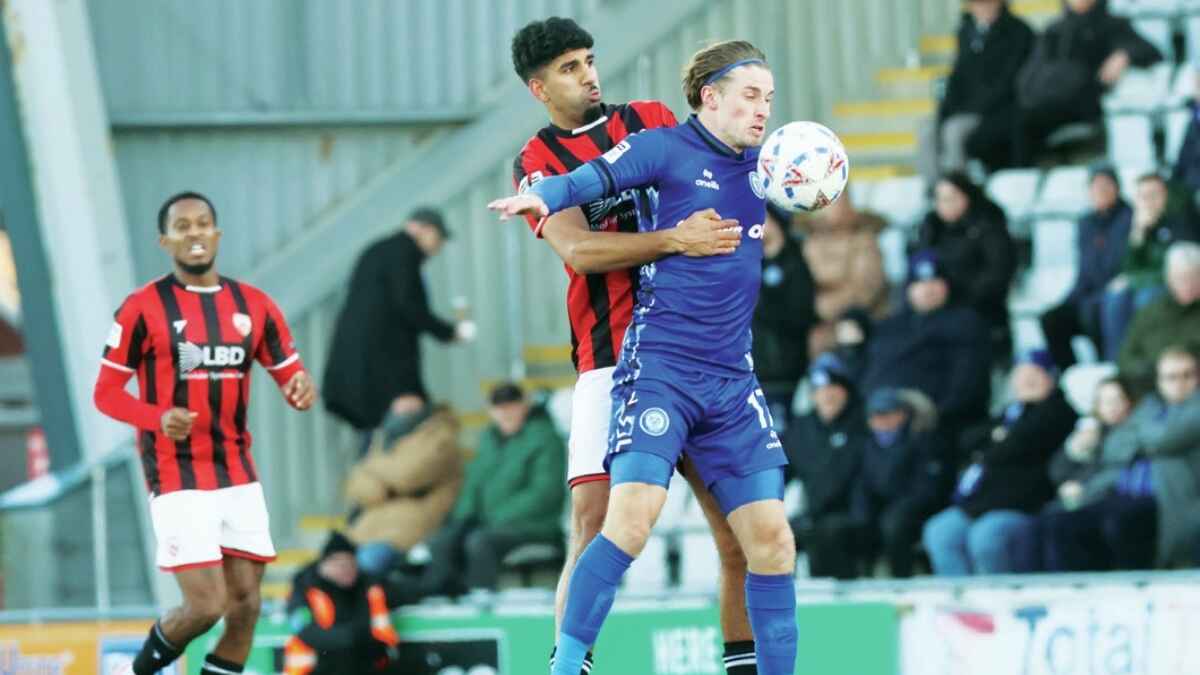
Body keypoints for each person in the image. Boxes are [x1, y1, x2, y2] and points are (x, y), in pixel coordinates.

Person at [492, 40, 799, 675]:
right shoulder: (539, 157)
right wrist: (669, 240)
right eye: (569, 69)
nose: (589, 76)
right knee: (604, 523)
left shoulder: (662, 124)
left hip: (720, 364)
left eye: (590, 61)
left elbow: (735, 166)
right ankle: (570, 664)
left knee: (748, 540)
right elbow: (578, 251)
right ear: (539, 87)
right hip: (622, 357)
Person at [94, 192, 316, 675]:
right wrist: (156, 418)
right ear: (165, 240)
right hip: (176, 474)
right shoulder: (141, 308)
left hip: (237, 470)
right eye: (183, 226)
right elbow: (106, 393)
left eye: (203, 224)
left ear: (216, 233)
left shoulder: (254, 306)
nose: (194, 233)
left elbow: (291, 376)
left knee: (247, 605)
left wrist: (299, 389)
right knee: (206, 606)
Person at [322, 207, 474, 441]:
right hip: (385, 380)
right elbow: (409, 308)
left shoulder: (379, 251)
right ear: (424, 229)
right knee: (398, 445)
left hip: (359, 375)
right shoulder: (404, 253)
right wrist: (448, 332)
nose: (438, 246)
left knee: (374, 448)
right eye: (439, 237)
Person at [1042, 347, 1200, 571]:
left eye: (1188, 375)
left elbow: (1166, 437)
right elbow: (1115, 447)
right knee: (1060, 522)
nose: (1180, 383)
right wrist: (1147, 436)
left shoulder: (1188, 408)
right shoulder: (1150, 408)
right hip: (1119, 494)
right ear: (1159, 381)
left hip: (1167, 502)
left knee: (1120, 523)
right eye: (1171, 377)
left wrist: (1139, 433)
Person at [922, 350, 1077, 575]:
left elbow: (1015, 445)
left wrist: (998, 440)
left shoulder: (1059, 411)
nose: (1026, 382)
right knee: (939, 531)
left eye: (1034, 375)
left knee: (985, 538)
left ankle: (995, 601)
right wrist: (999, 436)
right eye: (1021, 375)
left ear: (1051, 377)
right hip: (980, 503)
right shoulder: (1010, 414)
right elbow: (968, 440)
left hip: (1024, 505)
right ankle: (961, 600)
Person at [418, 383, 567, 597]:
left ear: (523, 405)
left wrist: (493, 518)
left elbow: (544, 493)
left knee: (479, 542)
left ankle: (481, 600)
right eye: (499, 407)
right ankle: (445, 599)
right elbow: (473, 483)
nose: (505, 412)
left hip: (535, 526)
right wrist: (463, 518)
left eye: (511, 405)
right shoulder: (489, 438)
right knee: (443, 540)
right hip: (491, 523)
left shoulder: (545, 438)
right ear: (491, 411)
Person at [861, 250, 992, 458]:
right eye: (920, 283)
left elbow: (967, 384)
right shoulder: (891, 325)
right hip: (881, 418)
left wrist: (929, 414)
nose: (928, 289)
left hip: (936, 425)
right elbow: (872, 374)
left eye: (935, 281)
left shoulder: (965, 323)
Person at [1013, 0, 1162, 165]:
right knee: (1010, 121)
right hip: (1044, 102)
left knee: (1019, 125)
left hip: (1084, 105)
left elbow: (1151, 51)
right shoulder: (1054, 29)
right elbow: (1029, 73)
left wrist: (1124, 54)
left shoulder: (1111, 24)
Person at [342, 404, 464, 576]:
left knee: (363, 565)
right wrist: (385, 482)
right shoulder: (384, 436)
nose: (399, 406)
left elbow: (407, 477)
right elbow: (357, 485)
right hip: (369, 526)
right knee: (326, 567)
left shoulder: (440, 438)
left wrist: (371, 468)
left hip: (409, 529)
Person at [920, 0, 1034, 180]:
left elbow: (1010, 80)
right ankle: (936, 190)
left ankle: (961, 189)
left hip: (996, 109)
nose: (981, 8)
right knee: (927, 130)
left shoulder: (1019, 32)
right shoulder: (966, 33)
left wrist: (973, 107)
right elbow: (957, 75)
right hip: (964, 108)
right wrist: (947, 109)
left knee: (953, 132)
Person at [913, 173, 1017, 363]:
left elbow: (997, 275)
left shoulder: (989, 226)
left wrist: (953, 295)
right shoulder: (931, 228)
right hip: (935, 310)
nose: (945, 204)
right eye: (940, 199)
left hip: (979, 311)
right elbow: (918, 268)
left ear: (968, 197)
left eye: (952, 198)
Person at [783, 354, 867, 580]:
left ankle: (834, 601)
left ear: (846, 391)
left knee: (826, 533)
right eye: (820, 389)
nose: (827, 395)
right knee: (773, 535)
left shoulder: (862, 424)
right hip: (815, 514)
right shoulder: (801, 429)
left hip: (857, 513)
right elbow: (780, 472)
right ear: (813, 395)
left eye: (834, 388)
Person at [852, 387, 951, 578]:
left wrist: (899, 508)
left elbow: (927, 489)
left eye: (886, 414)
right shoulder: (868, 446)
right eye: (875, 416)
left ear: (902, 414)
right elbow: (861, 484)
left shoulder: (923, 440)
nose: (881, 421)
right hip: (881, 508)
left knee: (894, 524)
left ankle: (901, 581)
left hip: (914, 512)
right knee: (857, 522)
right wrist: (862, 513)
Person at [1040, 166, 1131, 369]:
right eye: (1095, 187)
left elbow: (1119, 265)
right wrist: (1068, 301)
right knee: (1052, 318)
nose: (1101, 192)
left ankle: (1106, 372)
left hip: (1115, 295)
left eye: (1106, 186)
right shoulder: (1086, 223)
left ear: (1117, 188)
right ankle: (1070, 375)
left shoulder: (1129, 217)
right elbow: (1084, 270)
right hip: (1087, 294)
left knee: (1096, 313)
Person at [1101, 175, 1199, 361]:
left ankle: (1151, 359)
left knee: (1145, 299)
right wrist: (1138, 234)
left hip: (1174, 283)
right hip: (1145, 282)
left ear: (1166, 195)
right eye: (1143, 196)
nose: (1149, 201)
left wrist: (1134, 279)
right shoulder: (1134, 223)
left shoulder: (1182, 219)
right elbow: (1127, 267)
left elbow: (1178, 267)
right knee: (1114, 298)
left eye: (1154, 194)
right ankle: (1115, 360)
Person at [283, 532, 403, 675]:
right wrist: (350, 637)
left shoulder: (369, 586)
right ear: (325, 564)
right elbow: (305, 630)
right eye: (340, 564)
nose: (347, 570)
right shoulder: (303, 589)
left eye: (351, 564)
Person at [794, 188, 888, 357]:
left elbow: (865, 289)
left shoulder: (864, 240)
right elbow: (800, 285)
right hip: (815, 328)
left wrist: (821, 307)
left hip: (858, 323)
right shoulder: (809, 241)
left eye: (835, 201)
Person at [752, 201, 816, 432]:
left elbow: (801, 316)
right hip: (752, 373)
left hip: (785, 375)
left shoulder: (796, 264)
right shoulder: (748, 262)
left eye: (764, 218)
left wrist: (763, 302)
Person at [1118, 243, 1200, 398]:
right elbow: (1126, 358)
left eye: (1194, 276)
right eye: (1181, 277)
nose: (1188, 284)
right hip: (1151, 393)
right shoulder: (1149, 313)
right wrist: (1156, 373)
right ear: (1169, 278)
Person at [1044, 376, 1134, 517]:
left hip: (1103, 503)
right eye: (1105, 401)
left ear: (1129, 401)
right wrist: (1074, 449)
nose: (1112, 407)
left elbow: (1112, 472)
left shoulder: (1133, 434)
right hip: (1073, 501)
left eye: (1117, 399)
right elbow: (1055, 472)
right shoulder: (1091, 431)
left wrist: (1082, 488)